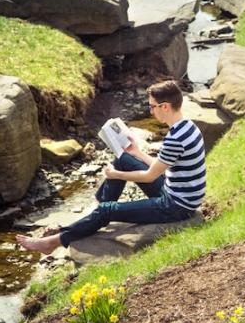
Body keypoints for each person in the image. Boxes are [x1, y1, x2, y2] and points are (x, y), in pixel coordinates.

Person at [17, 80, 205, 254]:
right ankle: (99, 213)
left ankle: (53, 243)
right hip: (177, 193)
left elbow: (149, 176)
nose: (150, 111)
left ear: (165, 106)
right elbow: (161, 166)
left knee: (109, 205)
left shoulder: (175, 139)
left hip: (176, 206)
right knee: (123, 158)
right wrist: (137, 152)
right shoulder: (188, 126)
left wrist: (116, 175)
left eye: (152, 106)